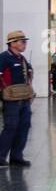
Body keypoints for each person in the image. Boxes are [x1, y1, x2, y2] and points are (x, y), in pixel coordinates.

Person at [0, 30, 35, 167]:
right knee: (11, 126)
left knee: (24, 127)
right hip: (10, 100)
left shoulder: (22, 58)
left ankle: (16, 157)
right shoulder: (4, 58)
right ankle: (1, 156)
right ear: (12, 43)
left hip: (24, 99)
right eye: (22, 41)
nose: (24, 44)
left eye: (25, 41)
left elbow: (29, 73)